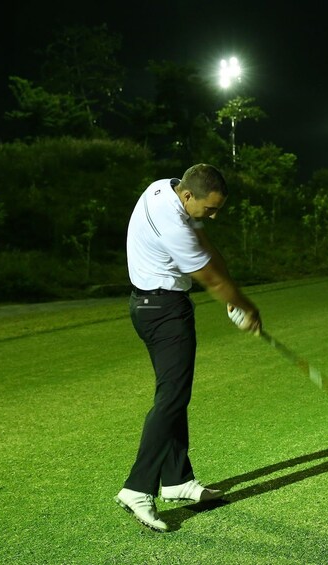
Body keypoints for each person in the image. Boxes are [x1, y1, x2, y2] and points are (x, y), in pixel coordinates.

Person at [115, 163, 261, 532]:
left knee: (174, 394)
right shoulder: (176, 225)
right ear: (188, 196)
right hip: (164, 312)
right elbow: (209, 276)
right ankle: (136, 488)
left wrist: (231, 286)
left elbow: (208, 248)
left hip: (147, 306)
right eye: (209, 208)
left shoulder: (161, 187)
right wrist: (243, 304)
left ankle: (177, 480)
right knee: (171, 399)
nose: (212, 215)